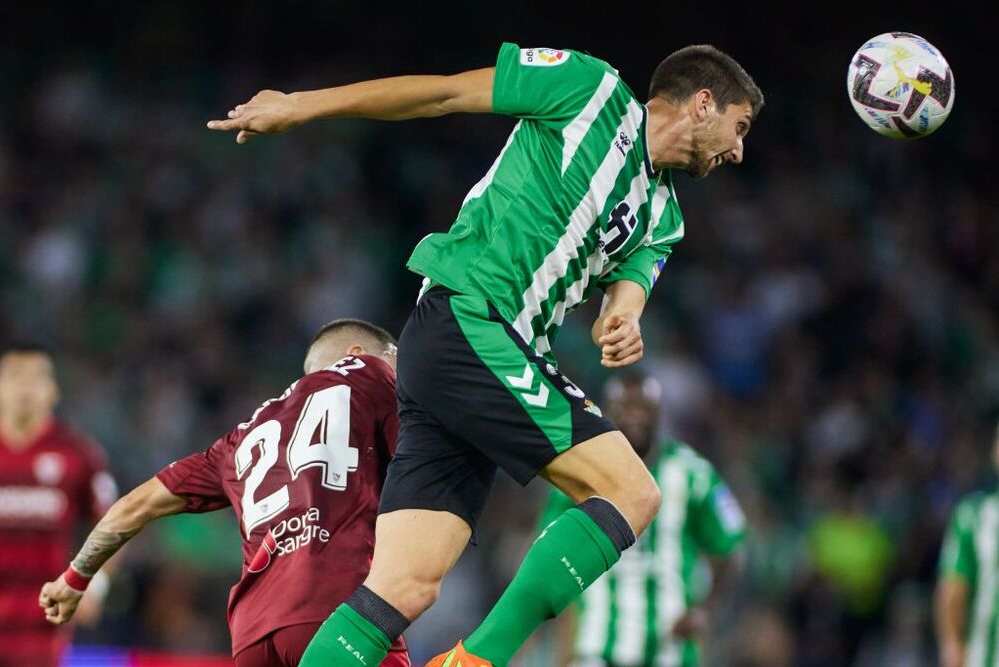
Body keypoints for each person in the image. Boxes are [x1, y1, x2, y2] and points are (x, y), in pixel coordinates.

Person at [208, 42, 763, 667]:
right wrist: (303, 106)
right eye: (740, 127)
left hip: (466, 355)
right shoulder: (589, 89)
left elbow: (627, 294)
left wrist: (623, 320)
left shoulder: (663, 215)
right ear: (704, 103)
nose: (739, 150)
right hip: (470, 319)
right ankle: (479, 661)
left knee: (403, 586)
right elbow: (445, 91)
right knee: (634, 492)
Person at [39, 320, 411, 667]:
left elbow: (136, 505)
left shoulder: (239, 439)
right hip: (335, 611)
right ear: (357, 353)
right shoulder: (372, 375)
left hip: (252, 635)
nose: (402, 367)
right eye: (395, 355)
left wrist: (74, 578)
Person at [539, 372, 746, 667]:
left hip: (670, 650)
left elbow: (731, 549)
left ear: (660, 413)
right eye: (626, 408)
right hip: (597, 649)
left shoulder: (692, 473)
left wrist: (705, 609)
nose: (635, 417)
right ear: (606, 411)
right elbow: (551, 559)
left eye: (643, 408)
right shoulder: (581, 472)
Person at [0, 343, 118, 667]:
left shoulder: (77, 454)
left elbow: (116, 522)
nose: (25, 388)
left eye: (36, 378)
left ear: (53, 390)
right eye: (15, 377)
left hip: (42, 624)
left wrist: (96, 584)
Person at [936, 423, 999, 667]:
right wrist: (952, 645)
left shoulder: (973, 515)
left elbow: (953, 589)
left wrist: (952, 646)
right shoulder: (971, 516)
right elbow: (953, 589)